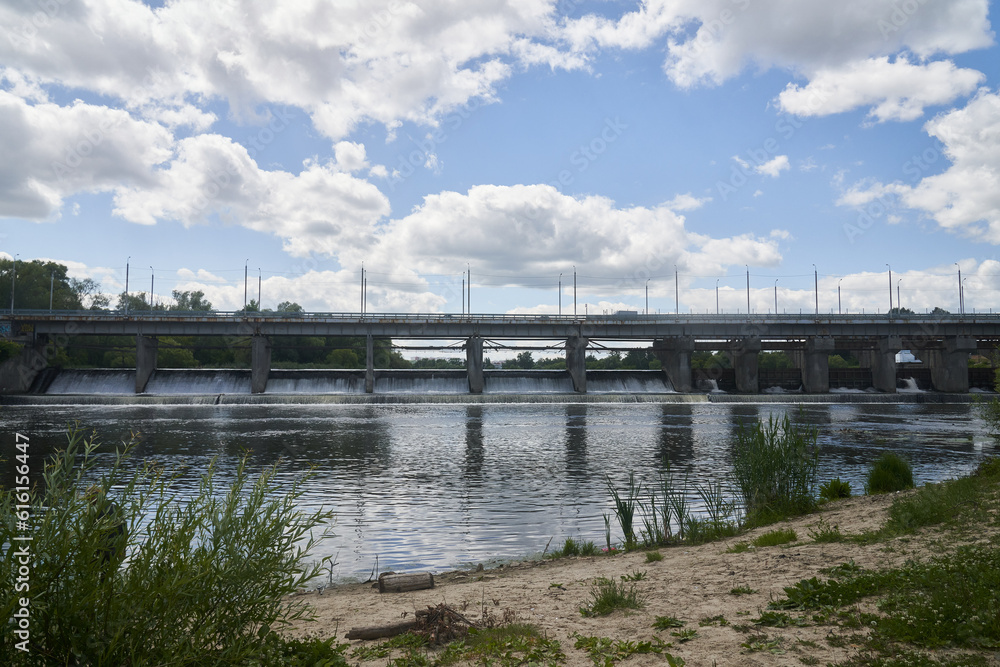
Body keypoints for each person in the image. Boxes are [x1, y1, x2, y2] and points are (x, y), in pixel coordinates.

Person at [83, 485, 126, 583]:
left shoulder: (93, 511)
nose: (87, 501)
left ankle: (93, 595)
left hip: (99, 549)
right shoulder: (115, 507)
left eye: (88, 498)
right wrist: (123, 549)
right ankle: (104, 594)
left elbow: (87, 532)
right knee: (105, 577)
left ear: (95, 497)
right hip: (112, 548)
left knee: (91, 577)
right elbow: (124, 529)